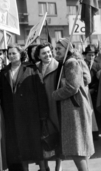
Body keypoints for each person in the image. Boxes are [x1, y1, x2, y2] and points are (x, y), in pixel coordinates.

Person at [0, 44, 49, 171]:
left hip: (31, 115)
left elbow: (40, 92)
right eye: (9, 54)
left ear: (21, 54)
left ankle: (43, 169)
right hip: (13, 117)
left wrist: (43, 115)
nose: (10, 56)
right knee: (20, 147)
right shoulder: (3, 72)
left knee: (36, 146)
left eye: (14, 53)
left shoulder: (31, 69)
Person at [52, 38, 94, 171]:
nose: (56, 51)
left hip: (74, 109)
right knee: (80, 146)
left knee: (77, 147)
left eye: (59, 48)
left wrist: (55, 94)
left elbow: (72, 87)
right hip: (75, 108)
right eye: (55, 49)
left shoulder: (70, 63)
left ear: (67, 50)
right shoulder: (70, 62)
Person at [35, 43, 62, 171]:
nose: (48, 55)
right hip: (41, 106)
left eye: (49, 52)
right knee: (43, 135)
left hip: (55, 104)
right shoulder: (35, 68)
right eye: (44, 53)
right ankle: (44, 166)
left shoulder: (59, 66)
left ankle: (58, 166)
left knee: (57, 134)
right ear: (39, 56)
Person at [83, 45, 101, 140]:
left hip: (94, 93)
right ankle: (87, 133)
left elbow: (100, 80)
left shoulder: (98, 65)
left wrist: (93, 89)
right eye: (89, 55)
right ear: (85, 55)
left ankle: (96, 133)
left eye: (93, 55)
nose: (91, 57)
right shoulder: (81, 64)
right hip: (84, 92)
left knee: (96, 112)